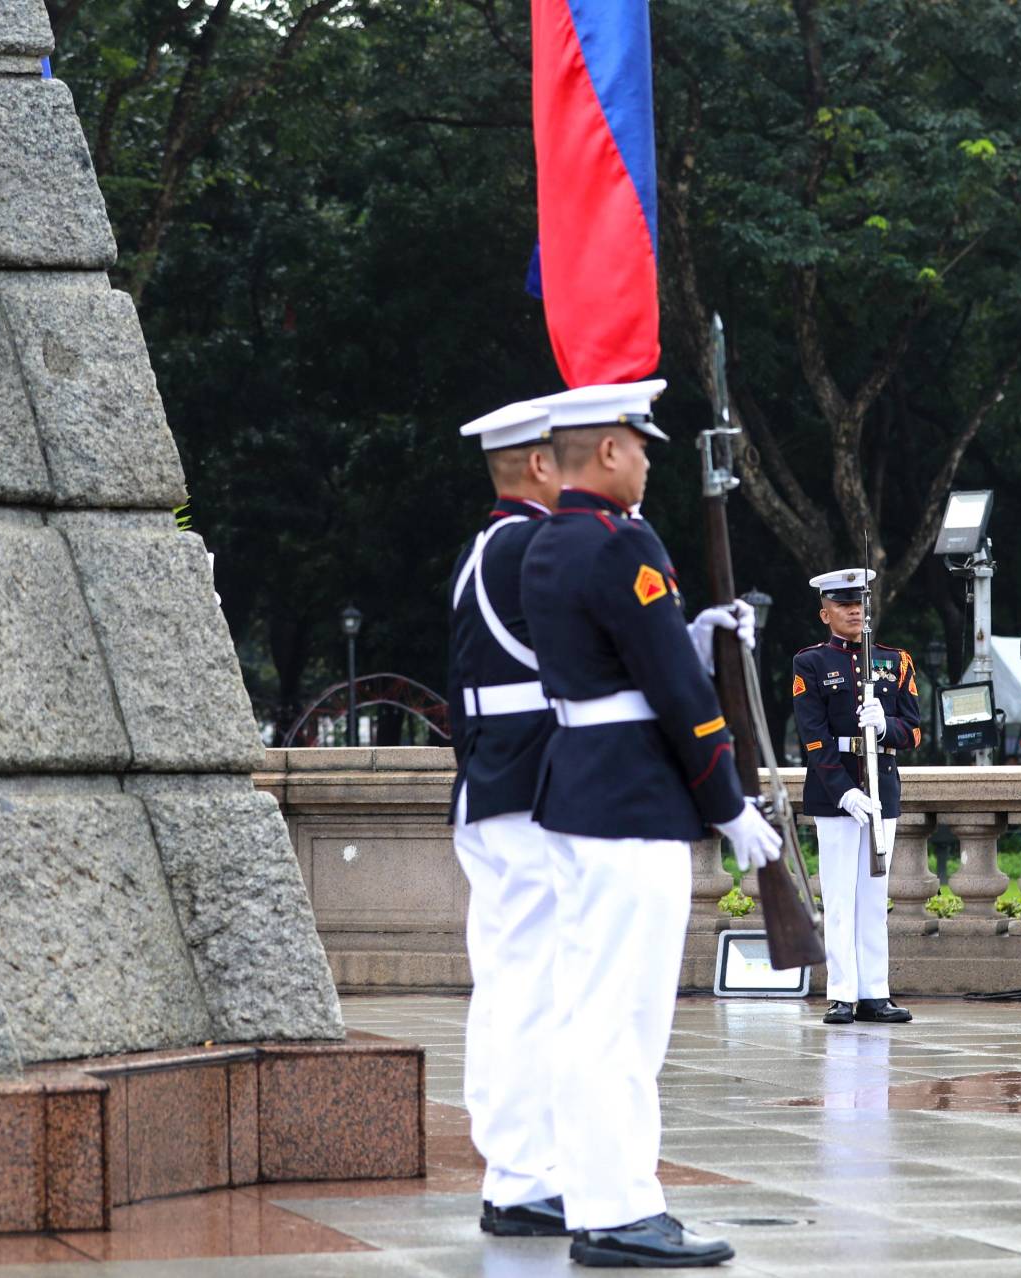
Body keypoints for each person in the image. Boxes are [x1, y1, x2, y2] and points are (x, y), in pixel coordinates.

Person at [519, 378, 782, 1268]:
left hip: (579, 792)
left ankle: (605, 1197)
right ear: (605, 452)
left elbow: (624, 657)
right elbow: (676, 694)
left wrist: (688, 628)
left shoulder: (549, 543)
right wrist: (728, 802)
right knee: (624, 1022)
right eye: (638, 445)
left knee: (591, 1011)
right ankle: (620, 1208)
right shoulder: (623, 540)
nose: (645, 461)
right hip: (632, 801)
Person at [445, 400, 568, 1237]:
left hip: (492, 787)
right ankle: (524, 1177)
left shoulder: (482, 549)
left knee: (508, 984)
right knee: (532, 987)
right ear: (536, 467)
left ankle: (514, 1166)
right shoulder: (532, 546)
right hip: (530, 792)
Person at [792, 568, 922, 1026]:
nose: (853, 610)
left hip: (881, 786)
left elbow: (916, 730)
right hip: (836, 793)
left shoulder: (895, 660)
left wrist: (885, 724)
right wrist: (843, 791)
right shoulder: (811, 663)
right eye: (843, 604)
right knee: (841, 897)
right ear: (825, 611)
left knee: (874, 898)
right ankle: (842, 993)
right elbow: (813, 737)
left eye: (859, 603)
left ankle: (875, 992)